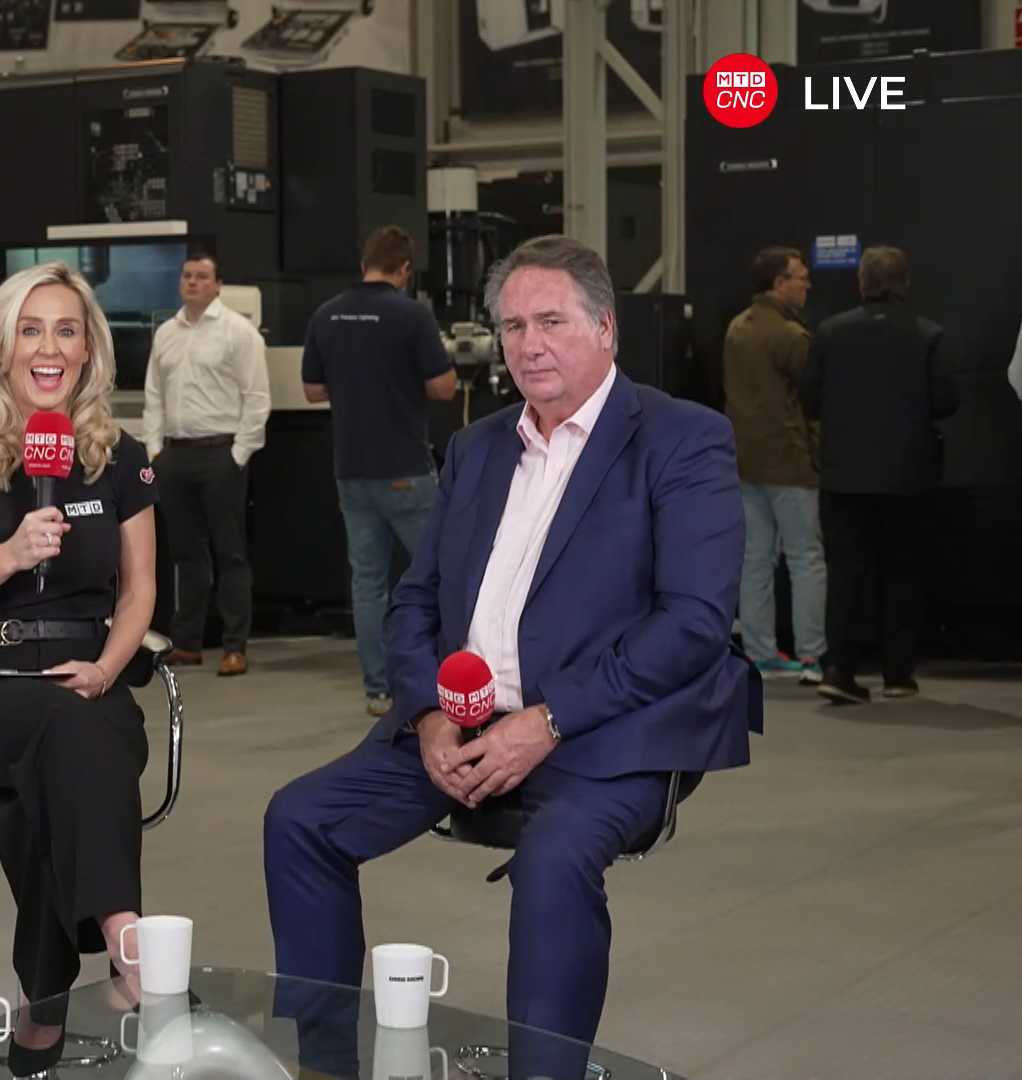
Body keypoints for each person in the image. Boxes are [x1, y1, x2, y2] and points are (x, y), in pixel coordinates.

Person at [263, 235, 760, 1056]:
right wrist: (426, 715)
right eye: (514, 326)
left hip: (602, 729)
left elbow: (694, 624)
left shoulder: (682, 439)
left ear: (605, 329)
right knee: (300, 819)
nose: (530, 345)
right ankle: (323, 1064)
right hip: (461, 725)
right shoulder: (477, 446)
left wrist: (547, 721)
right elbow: (415, 598)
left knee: (553, 861)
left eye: (552, 322)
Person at [0, 261, 159, 1068]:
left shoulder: (121, 457)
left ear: (88, 351)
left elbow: (141, 590)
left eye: (66, 331)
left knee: (58, 769)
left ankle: (42, 1008)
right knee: (67, 734)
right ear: (1, 347)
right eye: (31, 330)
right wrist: (10, 555)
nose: (49, 348)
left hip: (88, 678)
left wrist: (108, 668)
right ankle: (129, 946)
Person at [301, 225, 458, 717]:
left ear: (364, 262)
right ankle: (451, 679)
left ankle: (379, 690)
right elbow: (445, 388)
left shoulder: (326, 314)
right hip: (405, 467)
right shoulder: (412, 315)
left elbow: (312, 390)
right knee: (444, 571)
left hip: (351, 468)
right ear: (405, 269)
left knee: (367, 582)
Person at [798, 244, 957, 704]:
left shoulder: (830, 332)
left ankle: (839, 670)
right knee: (902, 575)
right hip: (908, 476)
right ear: (905, 284)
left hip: (844, 474)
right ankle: (898, 675)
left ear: (861, 283)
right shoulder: (928, 334)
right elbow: (946, 402)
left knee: (845, 575)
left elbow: (808, 398)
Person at [142, 253, 270, 677]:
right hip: (175, 455)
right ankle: (188, 642)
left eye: (201, 276)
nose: (192, 282)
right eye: (187, 276)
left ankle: (235, 646)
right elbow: (154, 395)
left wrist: (239, 454)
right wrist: (155, 451)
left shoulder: (238, 332)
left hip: (221, 453)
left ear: (218, 285)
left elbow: (257, 397)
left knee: (230, 553)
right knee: (186, 554)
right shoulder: (166, 333)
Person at [722, 245, 827, 684]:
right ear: (780, 284)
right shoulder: (791, 336)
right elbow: (814, 398)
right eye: (801, 278)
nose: (807, 285)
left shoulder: (736, 328)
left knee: (755, 560)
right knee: (806, 557)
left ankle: (760, 653)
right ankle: (812, 655)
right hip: (789, 462)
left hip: (744, 460)